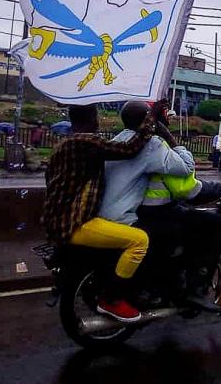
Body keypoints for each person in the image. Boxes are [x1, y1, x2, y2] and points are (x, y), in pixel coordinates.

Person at [103, 100, 221, 311]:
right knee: (216, 224)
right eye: (163, 116)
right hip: (142, 214)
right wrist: (167, 136)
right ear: (152, 121)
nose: (167, 119)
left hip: (122, 212)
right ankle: (195, 290)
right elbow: (186, 170)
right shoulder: (152, 144)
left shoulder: (118, 140)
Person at [43, 104, 157, 323]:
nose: (98, 122)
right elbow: (129, 149)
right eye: (96, 117)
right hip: (76, 223)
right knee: (139, 241)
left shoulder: (62, 145)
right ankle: (112, 299)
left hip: (57, 221)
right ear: (91, 119)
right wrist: (151, 121)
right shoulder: (85, 141)